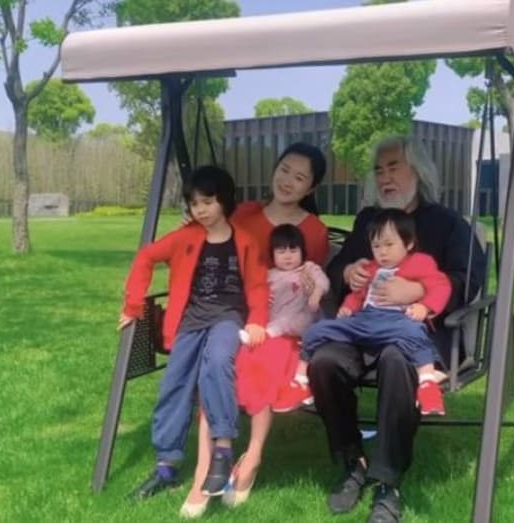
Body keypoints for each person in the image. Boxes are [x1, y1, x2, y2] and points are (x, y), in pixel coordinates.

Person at [309, 135, 486, 523]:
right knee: (323, 362)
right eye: (379, 170)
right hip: (363, 328)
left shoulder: (448, 223)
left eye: (394, 167)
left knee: (395, 360)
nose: (385, 177)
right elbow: (336, 269)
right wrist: (348, 272)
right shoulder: (368, 221)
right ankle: (352, 461)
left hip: (417, 334)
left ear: (418, 172)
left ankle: (388, 482)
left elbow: (469, 278)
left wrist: (419, 291)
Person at [184, 142, 330, 515]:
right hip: (235, 313)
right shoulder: (244, 213)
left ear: (311, 187)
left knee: (261, 361)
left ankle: (252, 458)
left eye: (300, 177)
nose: (288, 181)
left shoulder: (314, 231)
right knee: (218, 363)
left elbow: (308, 284)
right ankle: (204, 469)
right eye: (284, 170)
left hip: (283, 324)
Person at [121, 166, 268, 517]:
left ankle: (222, 448)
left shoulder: (245, 240)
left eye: (208, 202)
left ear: (224, 200)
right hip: (190, 320)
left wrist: (257, 321)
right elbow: (145, 257)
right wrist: (133, 306)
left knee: (217, 362)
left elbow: (258, 285)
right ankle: (166, 466)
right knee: (175, 383)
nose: (200, 210)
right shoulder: (185, 237)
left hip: (228, 318)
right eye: (194, 203)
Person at [292, 208, 452, 416]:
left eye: (389, 244)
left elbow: (441, 286)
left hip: (396, 321)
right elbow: (359, 295)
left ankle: (427, 382)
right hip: (365, 321)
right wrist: (348, 307)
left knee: (414, 332)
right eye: (376, 246)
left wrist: (425, 306)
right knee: (317, 330)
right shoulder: (370, 268)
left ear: (409, 244)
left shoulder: (420, 262)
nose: (382, 252)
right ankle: (300, 380)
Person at [237, 223, 330, 415]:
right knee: (264, 342)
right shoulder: (269, 275)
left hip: (305, 319)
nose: (288, 256)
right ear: (272, 255)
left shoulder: (308, 269)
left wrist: (317, 293)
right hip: (277, 321)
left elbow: (323, 281)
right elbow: (254, 293)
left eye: (293, 251)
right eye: (281, 251)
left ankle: (267, 334)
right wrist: (264, 297)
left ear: (303, 252)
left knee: (290, 320)